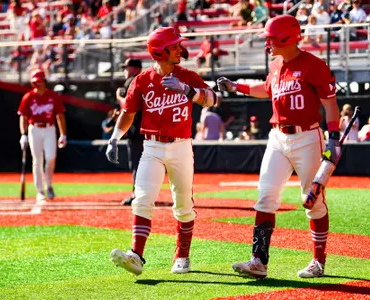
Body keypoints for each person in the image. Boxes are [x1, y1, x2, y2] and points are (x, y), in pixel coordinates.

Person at [217, 14, 340, 279]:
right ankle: (258, 262)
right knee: (266, 197)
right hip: (277, 137)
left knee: (313, 201)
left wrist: (334, 138)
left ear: (286, 37)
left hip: (307, 137)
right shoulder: (276, 64)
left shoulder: (313, 65)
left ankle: (318, 261)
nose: (268, 43)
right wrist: (236, 86)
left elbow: (330, 104)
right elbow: (267, 89)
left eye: (271, 38)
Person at [106, 26, 219, 276]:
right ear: (160, 51)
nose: (180, 48)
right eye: (175, 45)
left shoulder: (187, 76)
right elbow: (128, 114)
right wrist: (114, 137)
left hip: (181, 145)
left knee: (183, 204)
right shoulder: (143, 80)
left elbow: (214, 99)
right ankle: (136, 255)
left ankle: (182, 255)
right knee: (142, 198)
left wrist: (188, 91)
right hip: (152, 146)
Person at [17, 69, 67, 203]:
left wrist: (63, 134)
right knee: (37, 161)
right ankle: (40, 191)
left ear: (44, 81)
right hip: (34, 129)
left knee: (51, 158)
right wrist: (24, 134)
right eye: (35, 82)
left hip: (49, 129)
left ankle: (49, 185)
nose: (37, 84)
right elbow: (23, 116)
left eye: (39, 81)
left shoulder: (53, 96)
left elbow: (60, 115)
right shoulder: (28, 97)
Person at [115, 58, 144, 206]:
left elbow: (127, 105)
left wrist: (119, 96)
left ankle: (137, 194)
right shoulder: (146, 80)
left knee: (136, 164)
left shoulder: (131, 81)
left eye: (126, 68)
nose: (124, 71)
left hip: (135, 130)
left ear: (134, 68)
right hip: (148, 130)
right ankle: (144, 194)